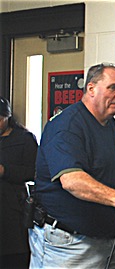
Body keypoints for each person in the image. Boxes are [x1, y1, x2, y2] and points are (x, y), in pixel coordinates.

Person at [29, 63, 115, 269]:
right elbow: (72, 180)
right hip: (71, 246)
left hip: (110, 240)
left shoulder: (109, 123)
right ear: (91, 89)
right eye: (112, 87)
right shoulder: (67, 126)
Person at [0, 97, 38, 269]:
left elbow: (34, 172)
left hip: (13, 214)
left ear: (7, 117)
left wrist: (4, 171)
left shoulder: (24, 139)